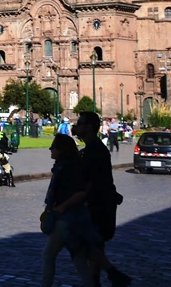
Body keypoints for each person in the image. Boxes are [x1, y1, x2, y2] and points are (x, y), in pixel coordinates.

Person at [62, 112, 132, 287]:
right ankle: (96, 281)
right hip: (100, 202)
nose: (76, 126)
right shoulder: (93, 148)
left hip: (96, 204)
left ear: (89, 127)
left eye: (80, 123)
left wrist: (71, 202)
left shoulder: (94, 150)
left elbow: (91, 182)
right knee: (95, 245)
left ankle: (112, 273)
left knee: (85, 244)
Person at [42, 133, 95, 287]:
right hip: (73, 216)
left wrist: (61, 206)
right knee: (78, 257)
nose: (50, 149)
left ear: (62, 150)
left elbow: (81, 192)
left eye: (54, 146)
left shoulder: (67, 169)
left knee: (48, 255)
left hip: (66, 218)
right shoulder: (65, 166)